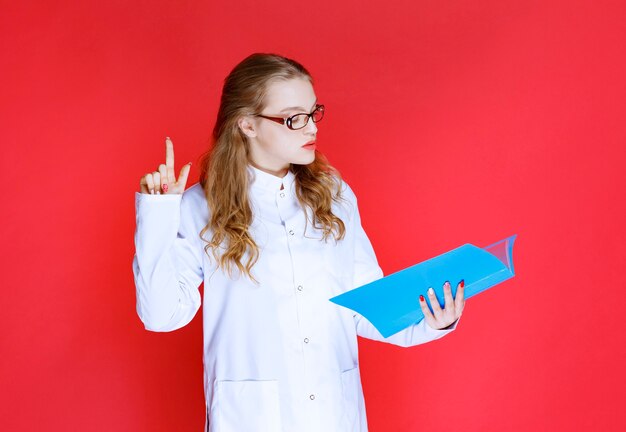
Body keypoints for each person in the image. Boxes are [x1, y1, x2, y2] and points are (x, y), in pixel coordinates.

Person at [133, 53, 465, 432]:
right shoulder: (200, 206)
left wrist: (430, 320)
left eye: (313, 113)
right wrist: (158, 216)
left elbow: (365, 303)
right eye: (293, 118)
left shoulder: (334, 196)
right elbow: (161, 316)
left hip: (333, 414)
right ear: (246, 124)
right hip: (249, 419)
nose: (311, 130)